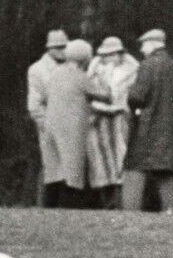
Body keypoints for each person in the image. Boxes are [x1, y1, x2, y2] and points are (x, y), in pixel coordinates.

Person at [40, 38, 111, 209]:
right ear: (84, 58)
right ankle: (68, 209)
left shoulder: (55, 73)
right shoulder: (81, 77)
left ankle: (49, 209)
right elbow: (104, 95)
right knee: (72, 171)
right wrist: (103, 80)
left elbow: (44, 96)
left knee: (54, 172)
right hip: (72, 128)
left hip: (50, 126)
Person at [122, 28, 173, 213]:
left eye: (144, 44)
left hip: (147, 126)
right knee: (164, 168)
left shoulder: (148, 65)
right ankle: (169, 209)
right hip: (169, 126)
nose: (142, 49)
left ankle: (130, 211)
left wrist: (131, 100)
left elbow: (137, 97)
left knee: (134, 166)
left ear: (153, 44)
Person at [86, 36, 139, 210]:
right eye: (105, 55)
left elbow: (133, 97)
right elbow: (89, 98)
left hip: (121, 121)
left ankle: (120, 203)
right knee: (101, 163)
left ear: (119, 53)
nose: (108, 58)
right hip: (99, 122)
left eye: (112, 54)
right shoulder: (95, 71)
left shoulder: (133, 70)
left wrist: (122, 109)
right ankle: (106, 204)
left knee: (121, 161)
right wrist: (107, 108)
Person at [25, 29, 69, 207]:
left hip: (71, 124)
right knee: (51, 167)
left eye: (64, 47)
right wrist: (46, 124)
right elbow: (34, 104)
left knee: (67, 169)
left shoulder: (70, 66)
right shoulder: (37, 69)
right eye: (57, 47)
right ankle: (45, 206)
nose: (61, 51)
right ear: (49, 48)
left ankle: (63, 208)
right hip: (49, 123)